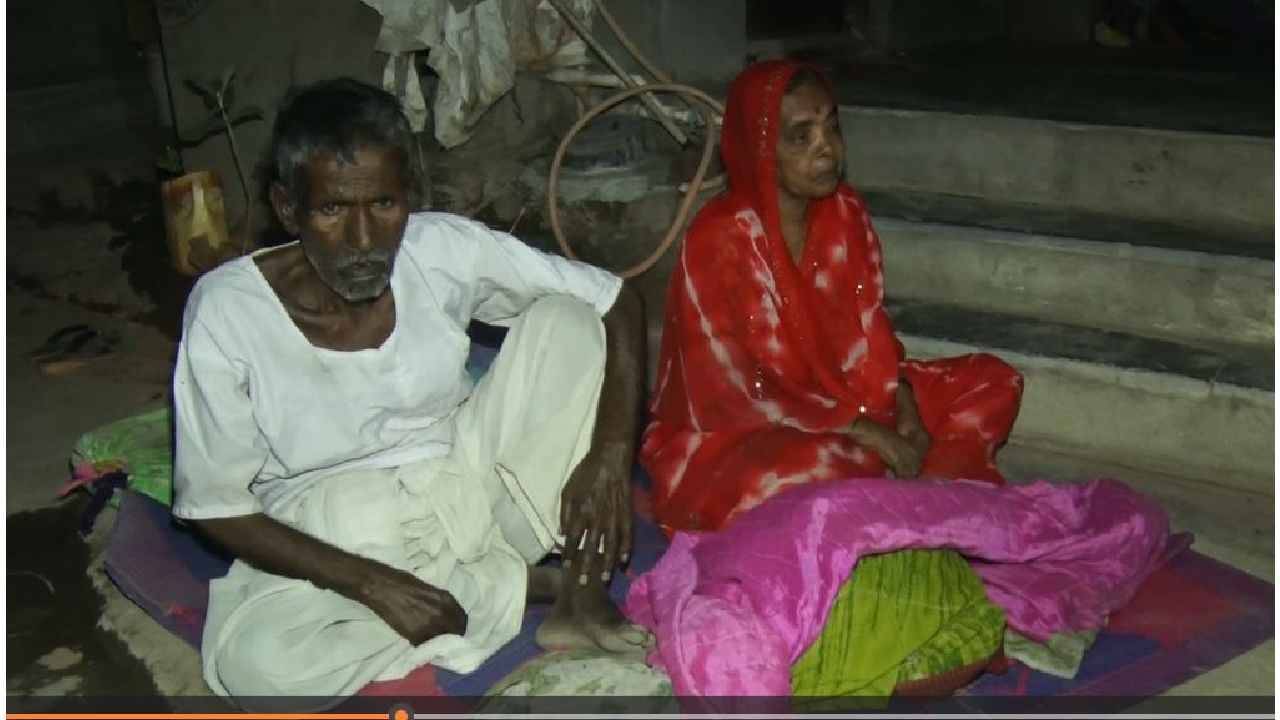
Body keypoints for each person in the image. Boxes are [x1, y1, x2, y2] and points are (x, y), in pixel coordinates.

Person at [171, 78, 651, 706]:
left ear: (409, 199)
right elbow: (216, 505)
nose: (364, 240)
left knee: (570, 320)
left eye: (385, 205)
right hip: (330, 533)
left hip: (471, 492)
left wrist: (612, 453)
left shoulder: (441, 248)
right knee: (257, 670)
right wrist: (372, 585)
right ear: (288, 209)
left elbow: (617, 300)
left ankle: (514, 580)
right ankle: (529, 587)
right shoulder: (228, 310)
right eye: (332, 210)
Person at [640, 61, 1024, 535]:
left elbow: (873, 335)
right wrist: (866, 431)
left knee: (993, 382)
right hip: (743, 433)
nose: (827, 150)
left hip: (856, 405)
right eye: (800, 137)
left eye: (832, 128)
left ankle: (898, 493)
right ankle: (912, 495)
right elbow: (735, 389)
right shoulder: (718, 239)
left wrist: (905, 410)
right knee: (805, 474)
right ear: (761, 150)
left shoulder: (846, 214)